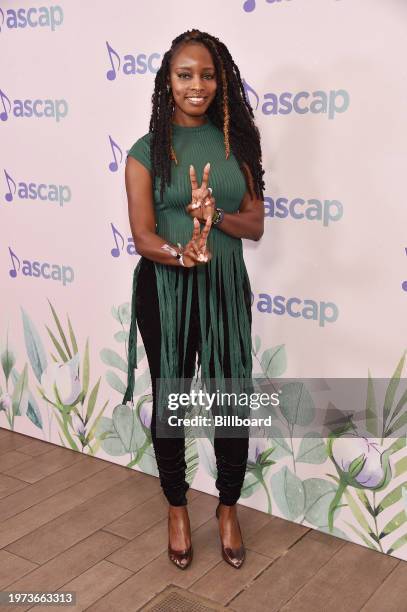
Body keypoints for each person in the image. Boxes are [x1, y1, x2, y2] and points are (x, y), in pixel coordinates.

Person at [123, 29, 265, 570]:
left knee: (231, 397)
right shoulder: (145, 152)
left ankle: (227, 507)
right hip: (165, 290)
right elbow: (141, 236)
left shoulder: (237, 146)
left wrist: (217, 218)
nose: (197, 85)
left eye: (207, 74)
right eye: (185, 74)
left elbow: (254, 225)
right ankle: (178, 509)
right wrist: (182, 254)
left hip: (226, 287)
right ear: (168, 82)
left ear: (220, 80)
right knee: (172, 400)